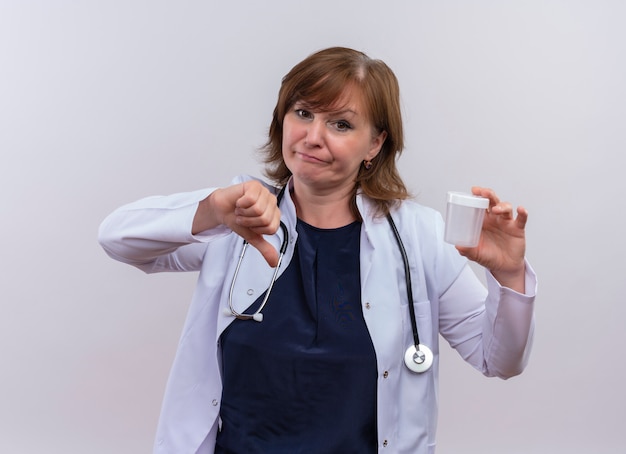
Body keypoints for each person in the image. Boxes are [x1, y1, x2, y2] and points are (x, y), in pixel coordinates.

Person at [98, 47, 536, 454]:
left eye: (341, 124)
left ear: (375, 144)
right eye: (303, 113)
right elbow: (117, 238)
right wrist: (211, 210)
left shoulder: (418, 236)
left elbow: (498, 358)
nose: (312, 136)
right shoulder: (241, 214)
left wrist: (508, 275)